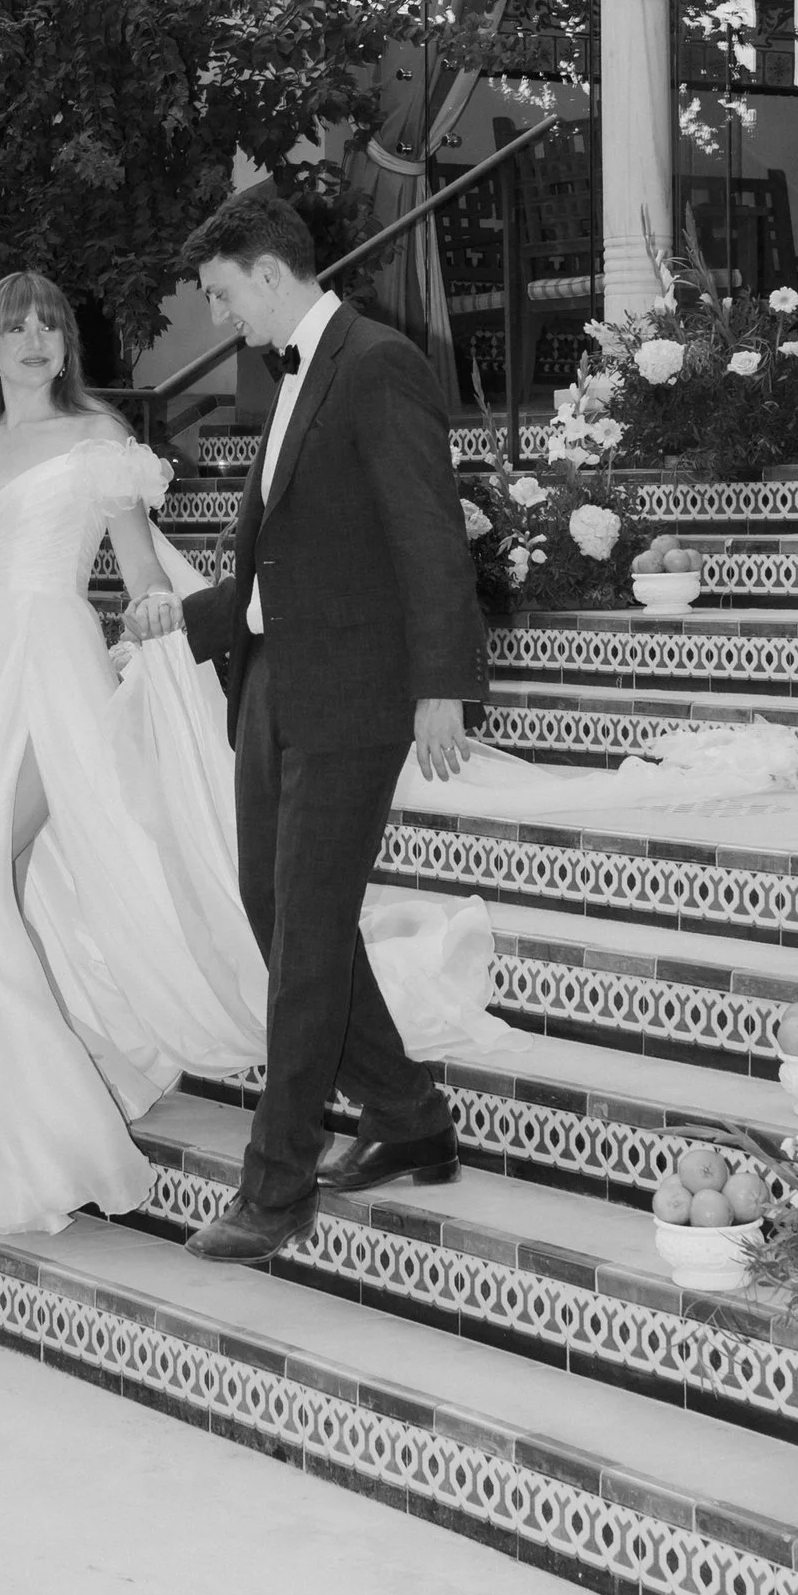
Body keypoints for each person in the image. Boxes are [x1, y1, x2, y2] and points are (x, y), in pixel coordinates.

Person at [0, 262, 501, 1243]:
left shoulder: (99, 442)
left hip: (55, 684)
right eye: (16, 327)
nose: (34, 343)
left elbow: (142, 574)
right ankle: (8, 1124)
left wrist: (157, 646)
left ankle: (56, 1137)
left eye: (51, 329)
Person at [123, 183, 488, 1263]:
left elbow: (428, 537)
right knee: (274, 905)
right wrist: (171, 628)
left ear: (271, 274)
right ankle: (408, 1113)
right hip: (278, 682)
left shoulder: (376, 365)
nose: (224, 315)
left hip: (359, 695)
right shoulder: (289, 378)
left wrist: (442, 686)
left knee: (307, 935)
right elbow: (273, 565)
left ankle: (274, 1188)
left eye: (227, 293)